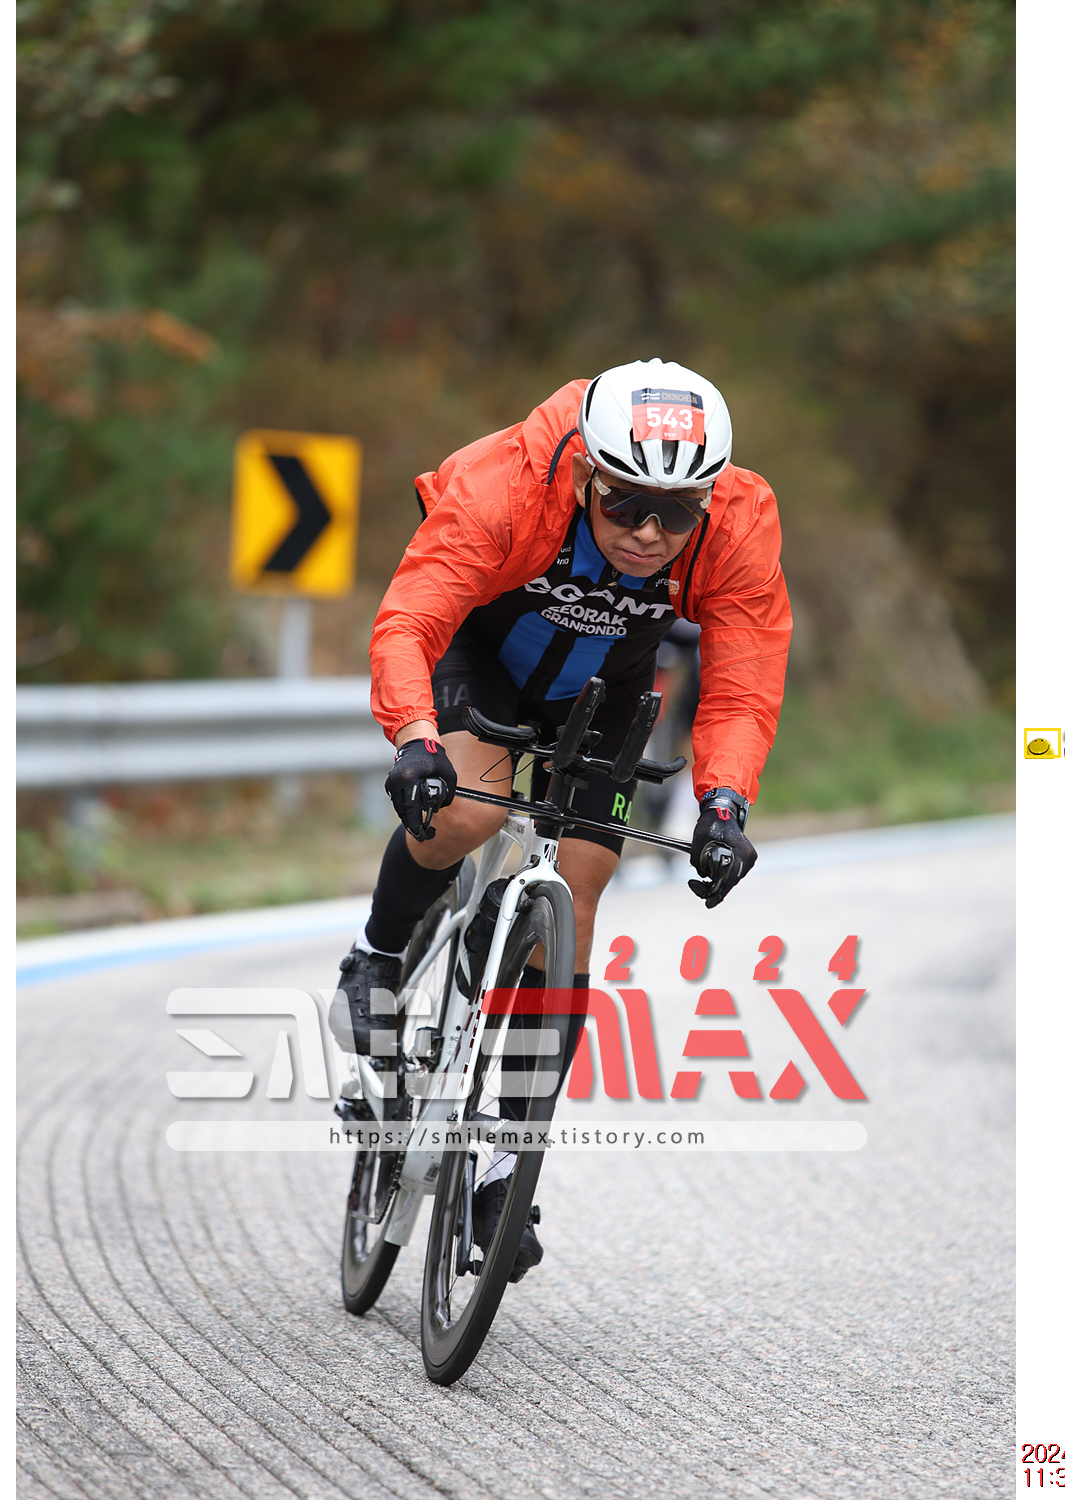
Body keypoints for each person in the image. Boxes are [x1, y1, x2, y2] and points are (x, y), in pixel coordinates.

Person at [329, 359, 792, 1278]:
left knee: (577, 896)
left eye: (677, 513)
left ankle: (507, 1164)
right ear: (584, 470)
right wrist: (416, 738)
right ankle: (375, 956)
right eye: (626, 504)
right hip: (484, 656)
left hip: (606, 690)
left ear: (709, 498)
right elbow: (411, 620)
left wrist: (724, 803)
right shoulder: (505, 485)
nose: (650, 532)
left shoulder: (738, 522)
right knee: (466, 813)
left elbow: (744, 680)